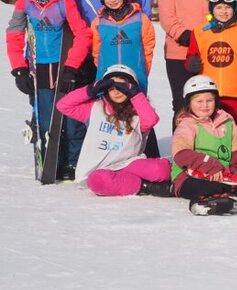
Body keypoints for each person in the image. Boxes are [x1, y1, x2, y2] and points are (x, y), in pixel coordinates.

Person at [7, 0, 92, 180]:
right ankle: (53, 160)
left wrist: (72, 66)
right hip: (40, 69)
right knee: (45, 119)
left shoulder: (65, 2)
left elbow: (83, 34)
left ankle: (73, 162)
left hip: (63, 67)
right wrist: (19, 69)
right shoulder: (24, 4)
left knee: (71, 119)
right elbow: (14, 35)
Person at [56, 64, 170, 196]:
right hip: (99, 169)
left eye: (122, 87)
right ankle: (146, 186)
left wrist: (136, 94)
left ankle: (128, 181)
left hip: (128, 164)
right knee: (98, 181)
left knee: (162, 169)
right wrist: (90, 90)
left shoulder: (138, 113)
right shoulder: (95, 108)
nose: (116, 92)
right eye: (111, 88)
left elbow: (151, 120)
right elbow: (63, 105)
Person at [169, 75, 237, 216]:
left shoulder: (227, 121)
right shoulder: (187, 124)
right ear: (189, 103)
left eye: (209, 100)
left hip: (223, 176)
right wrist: (211, 166)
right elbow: (181, 154)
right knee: (210, 188)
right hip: (189, 177)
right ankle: (204, 203)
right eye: (199, 101)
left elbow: (236, 149)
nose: (205, 105)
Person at [159, 0, 225, 116]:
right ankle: (182, 136)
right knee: (183, 104)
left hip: (211, 49)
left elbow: (226, 8)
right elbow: (166, 15)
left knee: (210, 103)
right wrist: (182, 34)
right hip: (180, 51)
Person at [185, 0, 237, 128]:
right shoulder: (200, 31)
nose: (224, 11)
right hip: (207, 93)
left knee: (235, 128)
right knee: (208, 129)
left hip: (235, 93)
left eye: (228, 7)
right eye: (219, 7)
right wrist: (191, 63)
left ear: (234, 7)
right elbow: (190, 56)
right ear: (211, 9)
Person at [90, 0, 155, 93]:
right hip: (107, 77)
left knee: (135, 104)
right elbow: (96, 51)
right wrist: (101, 67)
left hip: (135, 77)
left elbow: (148, 47)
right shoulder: (98, 23)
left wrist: (144, 70)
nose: (112, 0)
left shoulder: (141, 19)